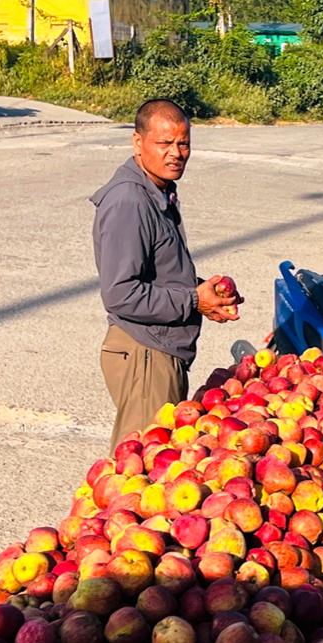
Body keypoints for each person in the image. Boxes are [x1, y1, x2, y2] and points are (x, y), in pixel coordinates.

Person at [89, 99, 241, 447]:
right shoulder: (129, 201)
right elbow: (121, 294)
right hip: (146, 354)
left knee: (156, 467)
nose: (176, 153)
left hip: (159, 351)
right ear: (137, 142)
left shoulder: (157, 190)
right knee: (140, 472)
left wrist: (206, 294)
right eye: (164, 143)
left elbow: (157, 274)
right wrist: (193, 301)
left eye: (183, 143)